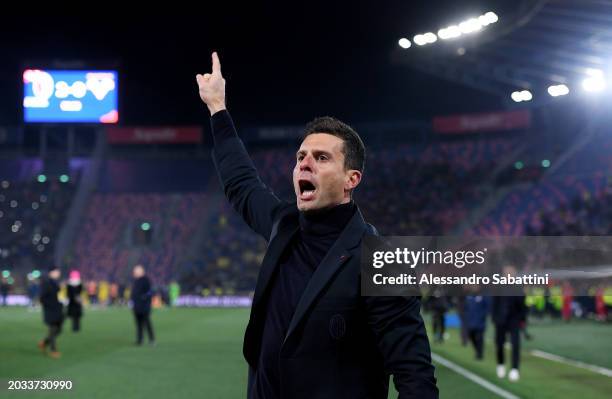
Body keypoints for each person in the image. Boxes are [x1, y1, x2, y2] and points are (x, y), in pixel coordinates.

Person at [196, 52, 438, 399]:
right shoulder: (285, 226)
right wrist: (218, 108)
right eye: (300, 157)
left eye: (321, 158)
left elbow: (415, 377)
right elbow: (242, 183)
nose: (304, 163)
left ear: (351, 179)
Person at [492, 265, 527, 382]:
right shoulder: (498, 287)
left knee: (515, 344)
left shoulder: (518, 287)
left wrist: (522, 319)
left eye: (511, 272)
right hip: (500, 320)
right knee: (499, 344)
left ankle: (514, 369)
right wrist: (495, 318)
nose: (509, 274)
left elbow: (522, 305)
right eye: (507, 272)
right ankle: (501, 364)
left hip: (514, 320)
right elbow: (494, 303)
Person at [38, 266, 64, 358]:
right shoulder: (46, 283)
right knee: (52, 330)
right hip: (50, 310)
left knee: (59, 330)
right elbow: (42, 298)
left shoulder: (55, 282)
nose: (58, 273)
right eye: (57, 271)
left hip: (57, 309)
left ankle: (44, 342)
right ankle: (53, 350)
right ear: (51, 272)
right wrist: (51, 305)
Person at [130, 265, 155, 345]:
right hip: (137, 306)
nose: (133, 273)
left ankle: (151, 339)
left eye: (135, 271)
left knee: (147, 323)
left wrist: (144, 297)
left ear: (140, 272)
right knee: (139, 324)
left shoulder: (145, 280)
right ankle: (140, 340)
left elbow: (150, 292)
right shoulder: (136, 281)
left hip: (144, 307)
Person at [464, 288, 490, 360]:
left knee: (479, 338)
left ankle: (480, 353)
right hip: (471, 321)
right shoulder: (469, 296)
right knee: (471, 336)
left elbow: (487, 307)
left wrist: (482, 315)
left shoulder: (484, 296)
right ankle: (477, 350)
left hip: (480, 322)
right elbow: (466, 307)